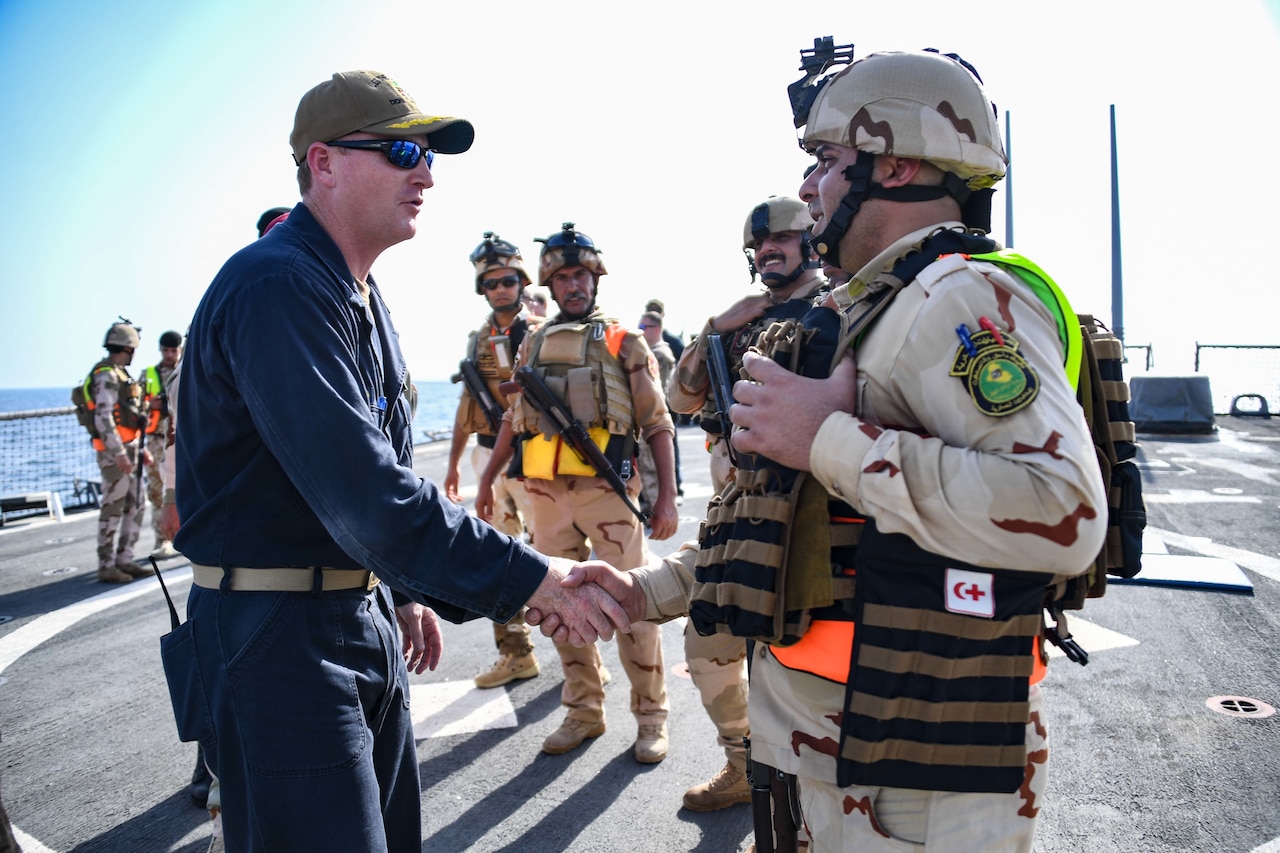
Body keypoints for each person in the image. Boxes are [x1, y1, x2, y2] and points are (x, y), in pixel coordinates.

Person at [535, 48, 1108, 853]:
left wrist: (825, 437)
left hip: (914, 767)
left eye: (829, 161)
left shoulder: (962, 294)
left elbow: (1064, 507)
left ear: (898, 165)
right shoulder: (882, 304)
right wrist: (641, 592)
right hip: (836, 742)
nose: (809, 188)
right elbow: (797, 527)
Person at [172, 70, 630, 853]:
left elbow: (376, 466)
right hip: (280, 636)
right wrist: (533, 579)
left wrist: (403, 585)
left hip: (353, 611)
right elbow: (366, 493)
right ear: (323, 163)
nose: (425, 170)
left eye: (428, 154)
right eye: (402, 150)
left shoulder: (356, 289)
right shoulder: (278, 285)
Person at [476, 222, 677, 762]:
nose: (573, 285)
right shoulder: (533, 342)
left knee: (632, 606)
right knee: (559, 607)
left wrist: (667, 499)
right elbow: (512, 420)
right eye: (562, 277)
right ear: (550, 281)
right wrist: (486, 479)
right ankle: (583, 710)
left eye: (581, 275)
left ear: (595, 278)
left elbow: (657, 423)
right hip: (545, 496)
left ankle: (651, 716)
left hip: (607, 494)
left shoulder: (623, 341)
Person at [660, 195, 827, 814]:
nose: (767, 254)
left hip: (805, 517)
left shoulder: (834, 306)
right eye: (759, 247)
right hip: (735, 516)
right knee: (707, 652)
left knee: (794, 679)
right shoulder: (740, 321)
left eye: (780, 241)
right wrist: (714, 329)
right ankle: (742, 762)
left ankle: (802, 814)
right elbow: (681, 400)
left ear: (810, 242)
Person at [444, 231, 545, 689]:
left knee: (554, 560)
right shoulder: (478, 340)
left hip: (535, 459)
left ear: (521, 281)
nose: (501, 288)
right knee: (499, 562)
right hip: (489, 457)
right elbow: (469, 408)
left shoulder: (543, 331)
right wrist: (452, 466)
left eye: (508, 280)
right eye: (491, 282)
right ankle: (516, 653)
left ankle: (586, 673)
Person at [83, 320, 152, 584]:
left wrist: (136, 450)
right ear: (128, 348)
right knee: (113, 508)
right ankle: (106, 564)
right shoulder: (107, 375)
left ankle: (125, 558)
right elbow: (104, 417)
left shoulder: (119, 373)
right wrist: (120, 452)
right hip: (115, 454)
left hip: (129, 450)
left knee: (135, 504)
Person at [142, 329, 183, 560]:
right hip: (157, 440)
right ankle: (163, 540)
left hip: (178, 440)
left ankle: (181, 535)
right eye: (166, 350)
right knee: (158, 492)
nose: (169, 354)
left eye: (173, 350)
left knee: (181, 490)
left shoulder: (186, 370)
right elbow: (135, 410)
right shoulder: (149, 375)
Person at [635, 310, 675, 515]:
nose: (640, 332)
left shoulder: (659, 354)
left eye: (644, 327)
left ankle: (654, 511)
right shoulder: (659, 351)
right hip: (655, 414)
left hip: (654, 416)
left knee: (650, 468)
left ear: (657, 329)